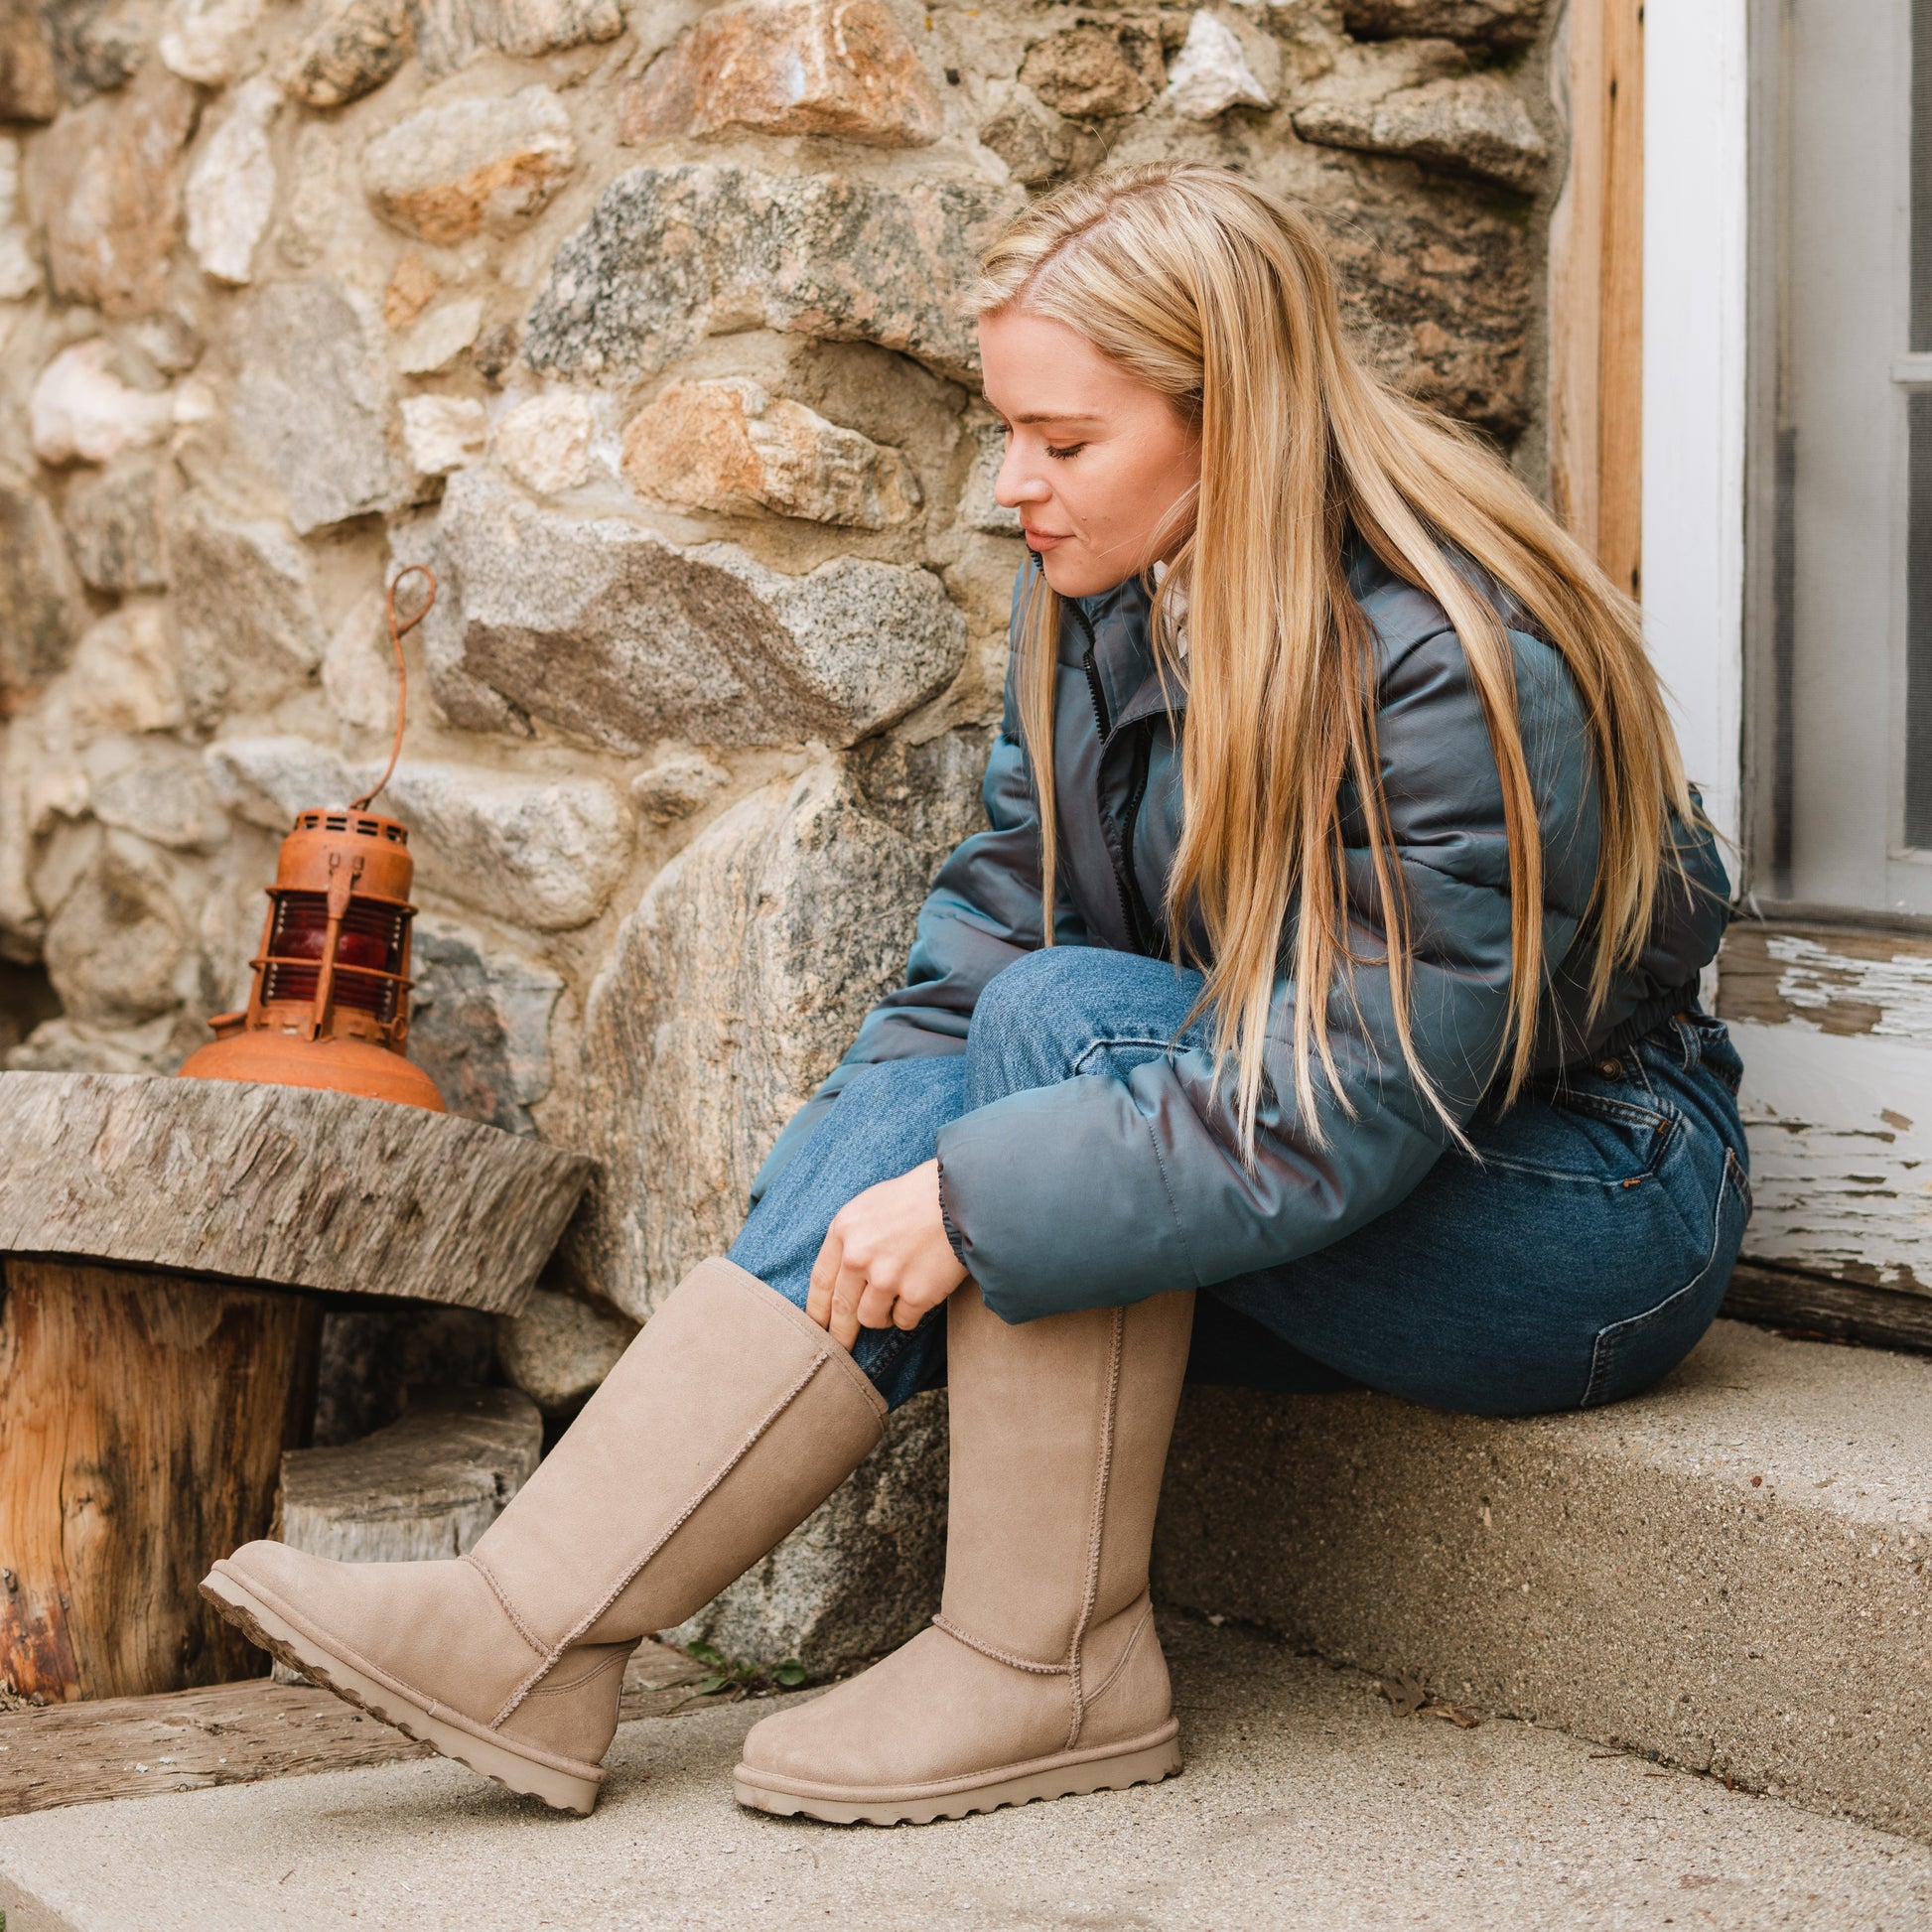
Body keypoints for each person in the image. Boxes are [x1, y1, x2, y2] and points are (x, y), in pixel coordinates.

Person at [202, 162, 1747, 1827]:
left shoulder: (1448, 654)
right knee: (1002, 1030)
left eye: (1062, 442)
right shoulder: (1102, 594)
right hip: (1280, 1134)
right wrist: (851, 1185)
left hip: (1577, 1199)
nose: (1013, 486)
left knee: (1059, 1033)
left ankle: (1044, 1664)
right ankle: (532, 1627)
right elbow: (981, 955)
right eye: (1011, 430)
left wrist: (969, 1195)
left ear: (1238, 419)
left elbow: (1352, 1094)